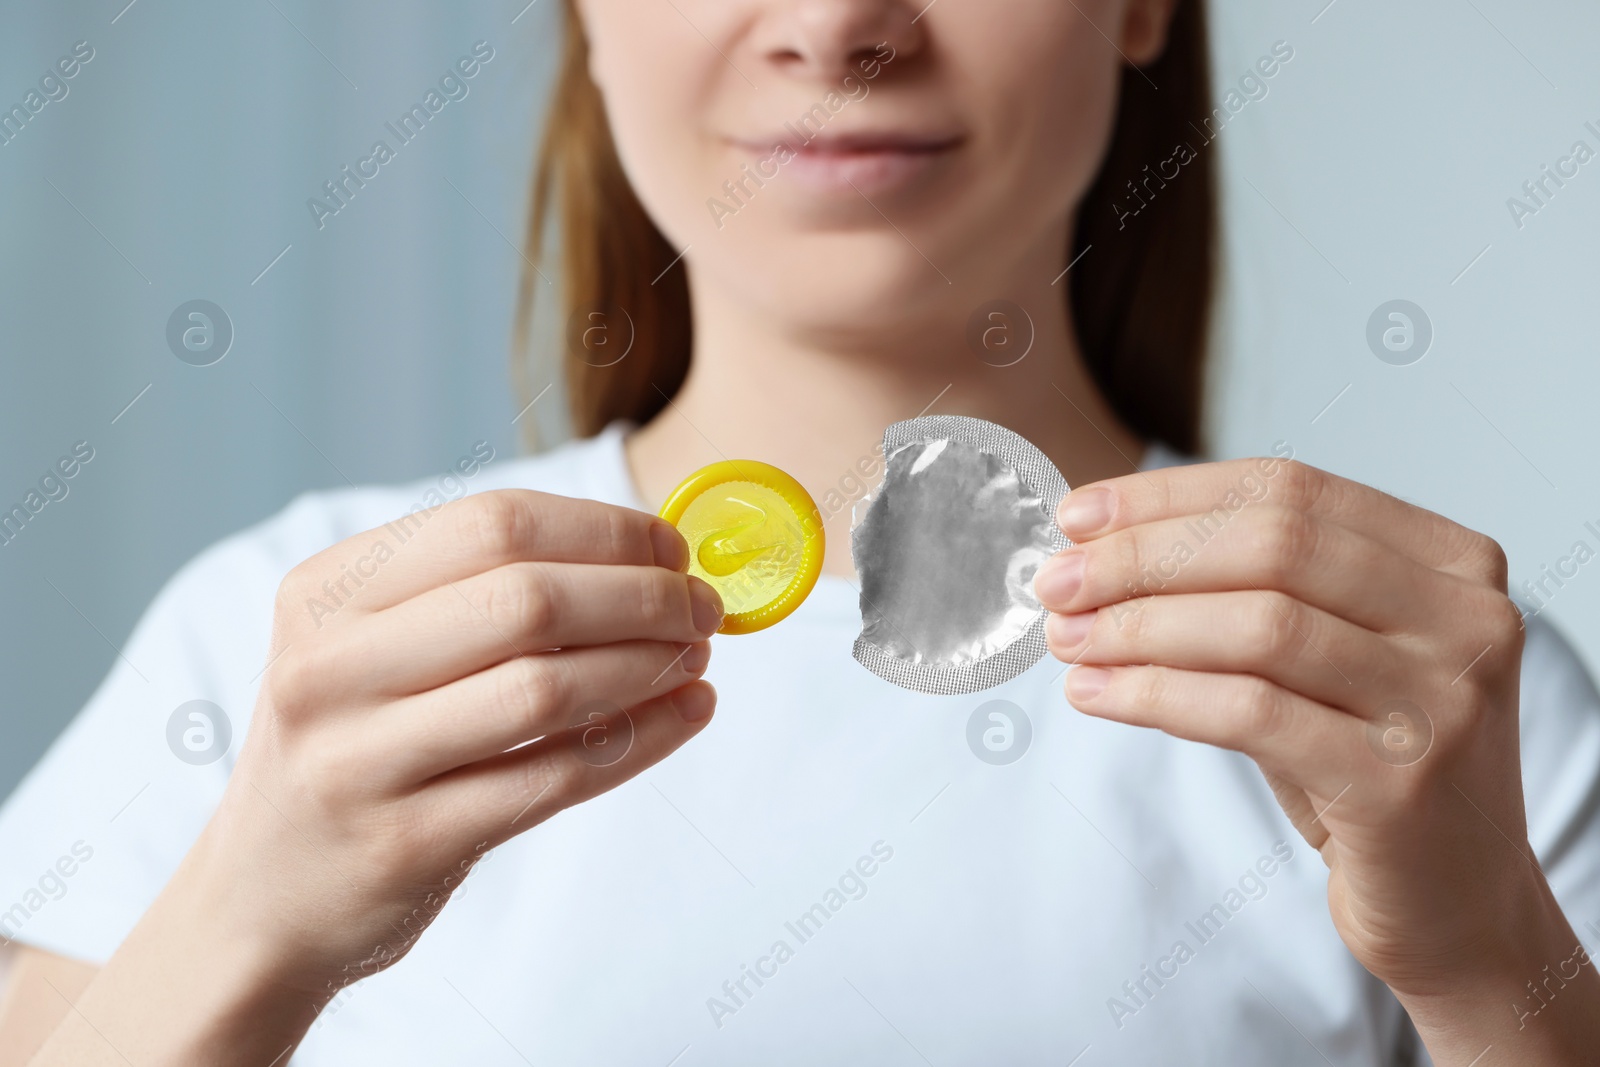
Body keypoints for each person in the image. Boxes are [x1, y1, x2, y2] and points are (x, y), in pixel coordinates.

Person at [3, 1, 1598, 1063]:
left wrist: (1483, 966)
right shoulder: (293, 641)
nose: (842, 24)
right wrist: (250, 927)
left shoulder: (1416, 695)